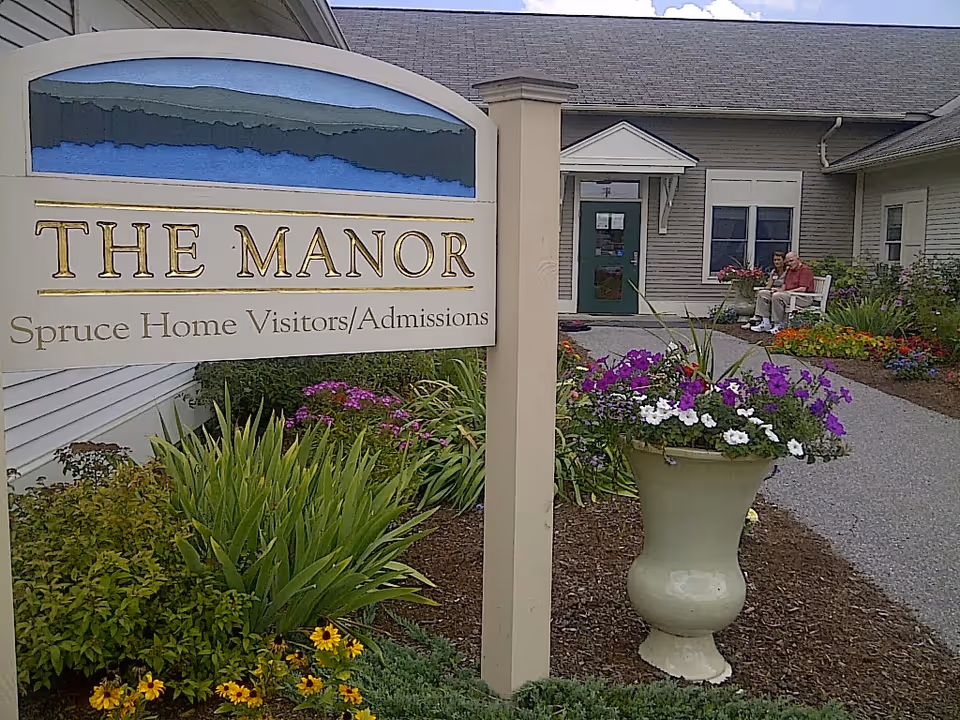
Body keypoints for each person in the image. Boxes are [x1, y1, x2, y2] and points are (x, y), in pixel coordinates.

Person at [749, 251, 815, 334]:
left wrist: (785, 292)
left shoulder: (805, 270)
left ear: (798, 259)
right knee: (763, 293)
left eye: (791, 261)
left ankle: (779, 325)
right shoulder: (790, 270)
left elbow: (803, 289)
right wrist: (778, 290)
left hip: (802, 298)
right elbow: (784, 286)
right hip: (789, 295)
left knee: (777, 296)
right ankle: (765, 323)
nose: (789, 264)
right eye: (787, 262)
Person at [741, 252, 787, 329]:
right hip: (772, 292)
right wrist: (764, 289)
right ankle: (764, 321)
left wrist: (777, 290)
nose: (776, 262)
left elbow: (786, 285)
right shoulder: (774, 272)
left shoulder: (787, 272)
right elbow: (769, 285)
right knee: (762, 293)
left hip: (782, 292)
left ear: (784, 260)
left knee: (771, 296)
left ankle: (757, 320)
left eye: (779, 260)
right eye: (775, 260)